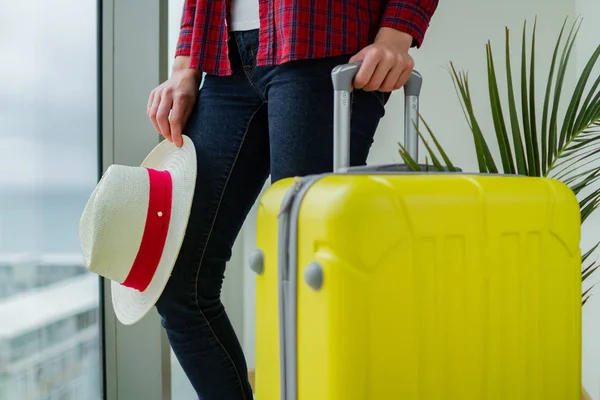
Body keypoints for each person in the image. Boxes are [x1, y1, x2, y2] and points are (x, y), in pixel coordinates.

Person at [147, 0, 438, 398]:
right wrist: (184, 65)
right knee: (178, 282)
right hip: (223, 58)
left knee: (303, 285)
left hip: (324, 44)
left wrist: (396, 34)